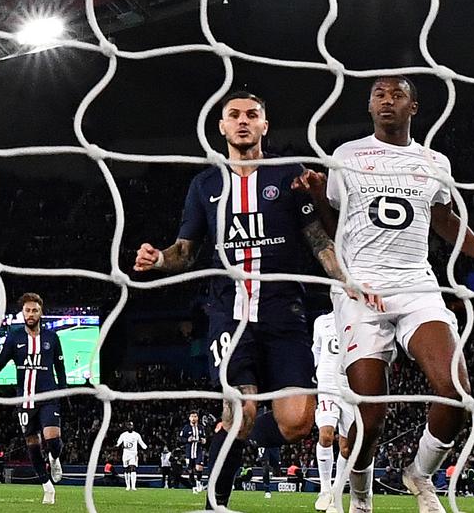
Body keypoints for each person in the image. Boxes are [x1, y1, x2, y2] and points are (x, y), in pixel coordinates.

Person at [294, 76, 474, 513]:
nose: (387, 101)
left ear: (414, 107)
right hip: (361, 290)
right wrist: (319, 197)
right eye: (379, 95)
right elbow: (336, 224)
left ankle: (419, 475)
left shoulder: (433, 162)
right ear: (370, 106)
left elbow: (445, 221)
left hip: (416, 285)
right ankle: (361, 496)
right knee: (370, 416)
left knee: (456, 390)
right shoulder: (346, 155)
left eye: (397, 95)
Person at [134, 90, 353, 508]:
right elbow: (185, 252)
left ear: (264, 125)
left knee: (297, 423)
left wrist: (349, 281)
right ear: (221, 127)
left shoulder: (287, 174)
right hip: (230, 318)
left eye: (252, 115)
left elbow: (319, 241)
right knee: (243, 407)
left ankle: (232, 438)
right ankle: (215, 503)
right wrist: (158, 258)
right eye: (233, 115)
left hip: (285, 315)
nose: (242, 121)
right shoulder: (205, 185)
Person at [0, 292, 68, 504]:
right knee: (32, 443)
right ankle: (47, 487)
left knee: (52, 440)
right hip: (24, 400)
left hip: (49, 396)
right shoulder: (14, 337)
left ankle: (55, 458)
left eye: (35, 310)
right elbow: (0, 364)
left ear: (41, 313)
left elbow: (60, 367)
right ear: (22, 313)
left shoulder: (52, 337)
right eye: (27, 310)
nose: (31, 314)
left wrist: (64, 391)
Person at [312, 312, 354, 513]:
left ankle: (336, 494)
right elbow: (316, 351)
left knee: (346, 447)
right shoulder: (321, 322)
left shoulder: (358, 319)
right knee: (326, 435)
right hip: (327, 385)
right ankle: (325, 490)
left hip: (350, 387)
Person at [179, 411, 207, 493]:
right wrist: (187, 440)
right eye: (192, 416)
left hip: (198, 450)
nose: (193, 418)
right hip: (189, 451)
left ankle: (198, 483)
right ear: (189, 418)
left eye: (195, 416)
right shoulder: (186, 428)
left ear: (197, 418)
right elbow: (181, 438)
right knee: (190, 470)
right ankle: (193, 485)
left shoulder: (201, 428)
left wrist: (204, 440)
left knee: (199, 467)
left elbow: (204, 438)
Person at [115, 422, 147, 491]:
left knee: (133, 468)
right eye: (129, 425)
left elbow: (141, 443)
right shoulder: (123, 435)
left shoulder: (136, 435)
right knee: (126, 469)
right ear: (127, 427)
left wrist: (145, 448)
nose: (130, 427)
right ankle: (128, 486)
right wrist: (117, 446)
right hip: (126, 454)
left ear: (133, 426)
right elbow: (118, 443)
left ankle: (133, 486)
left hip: (133, 454)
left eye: (131, 425)